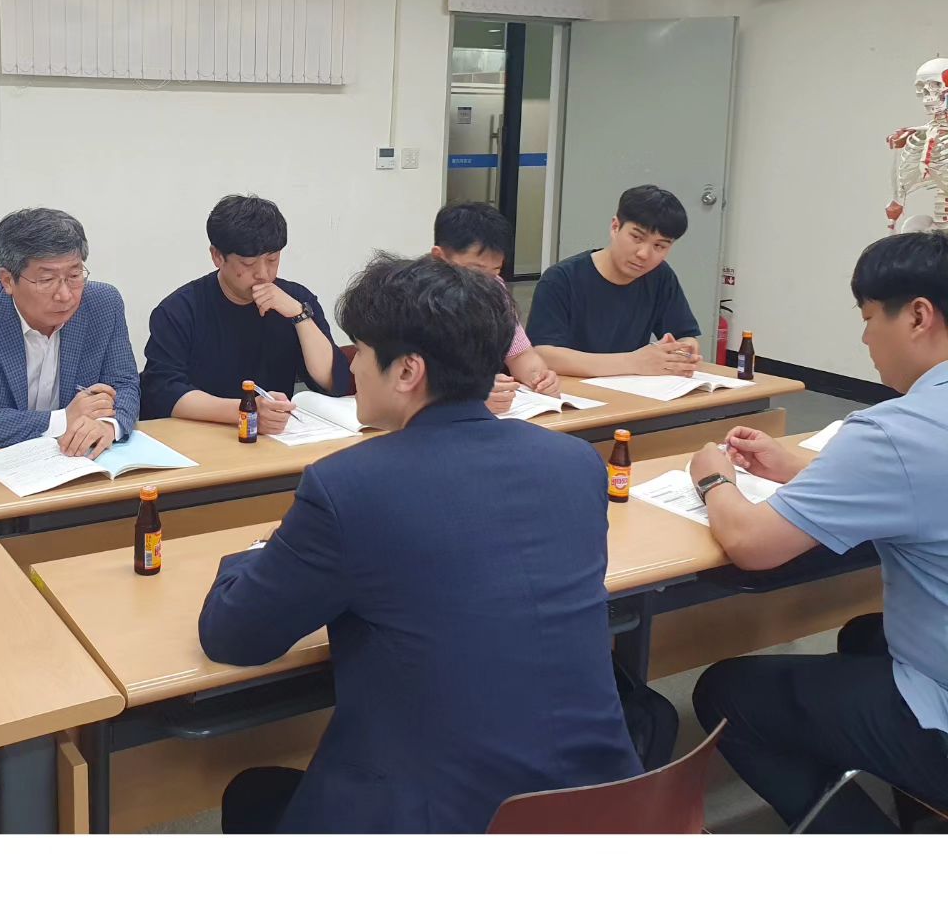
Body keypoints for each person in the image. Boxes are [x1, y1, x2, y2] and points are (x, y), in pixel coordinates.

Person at [198, 254, 641, 833]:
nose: (353, 367)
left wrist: (255, 553)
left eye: (361, 351)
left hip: (446, 821)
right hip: (607, 805)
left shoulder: (351, 487)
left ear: (407, 371)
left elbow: (234, 636)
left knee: (254, 795)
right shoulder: (576, 463)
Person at [689, 231, 948, 833]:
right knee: (863, 635)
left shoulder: (897, 429)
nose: (864, 340)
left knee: (726, 695)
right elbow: (921, 486)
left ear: (917, 316)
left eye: (868, 319)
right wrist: (799, 468)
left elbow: (753, 544)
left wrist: (713, 479)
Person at [0, 208, 140, 459]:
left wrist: (108, 425)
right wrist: (61, 420)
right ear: (8, 281)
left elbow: (124, 384)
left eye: (74, 275)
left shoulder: (103, 304)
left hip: (77, 461)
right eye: (47, 280)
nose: (65, 295)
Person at [140, 195, 351, 431]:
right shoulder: (179, 310)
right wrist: (246, 410)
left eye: (272, 259)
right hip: (200, 434)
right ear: (217, 256)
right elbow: (162, 392)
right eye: (249, 264)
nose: (263, 274)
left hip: (273, 437)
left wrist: (299, 315)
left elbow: (335, 382)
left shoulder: (295, 301)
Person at [526, 184, 702, 377]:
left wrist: (684, 350)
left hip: (634, 389)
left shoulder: (660, 276)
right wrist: (633, 362)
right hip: (573, 388)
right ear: (615, 227)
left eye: (659, 246)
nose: (644, 254)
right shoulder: (561, 279)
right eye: (637, 237)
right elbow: (542, 354)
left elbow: (684, 335)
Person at [431, 199, 560, 412]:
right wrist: (464, 396)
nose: (486, 283)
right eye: (476, 271)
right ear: (439, 257)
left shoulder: (496, 289)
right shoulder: (411, 296)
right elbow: (398, 381)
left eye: (495, 271)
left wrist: (540, 379)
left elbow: (520, 354)